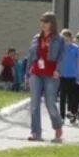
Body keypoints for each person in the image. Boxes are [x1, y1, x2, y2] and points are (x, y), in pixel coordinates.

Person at [25, 12, 65, 142]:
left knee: (50, 103)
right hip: (35, 72)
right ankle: (35, 132)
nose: (43, 24)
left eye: (46, 22)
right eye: (41, 21)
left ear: (52, 24)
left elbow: (62, 57)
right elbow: (30, 56)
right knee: (34, 104)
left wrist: (58, 70)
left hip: (51, 74)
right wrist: (27, 73)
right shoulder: (36, 38)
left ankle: (57, 124)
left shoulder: (59, 39)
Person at [56, 28, 78, 124]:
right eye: (63, 38)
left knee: (72, 96)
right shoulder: (59, 48)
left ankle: (72, 113)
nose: (65, 40)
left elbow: (78, 62)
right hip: (62, 75)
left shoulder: (75, 48)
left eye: (67, 38)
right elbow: (56, 61)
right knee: (62, 96)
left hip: (72, 75)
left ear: (70, 38)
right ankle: (62, 116)